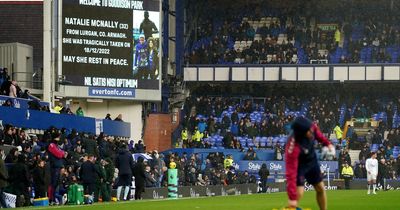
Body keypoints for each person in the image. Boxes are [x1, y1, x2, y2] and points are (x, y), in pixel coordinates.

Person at [285, 117, 334, 210]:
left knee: (320, 188)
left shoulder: (310, 127)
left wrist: (328, 144)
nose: (312, 132)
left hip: (312, 161)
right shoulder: (292, 148)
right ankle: (292, 206)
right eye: (309, 131)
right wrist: (292, 198)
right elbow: (291, 174)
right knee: (298, 193)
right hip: (299, 166)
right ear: (301, 133)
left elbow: (319, 135)